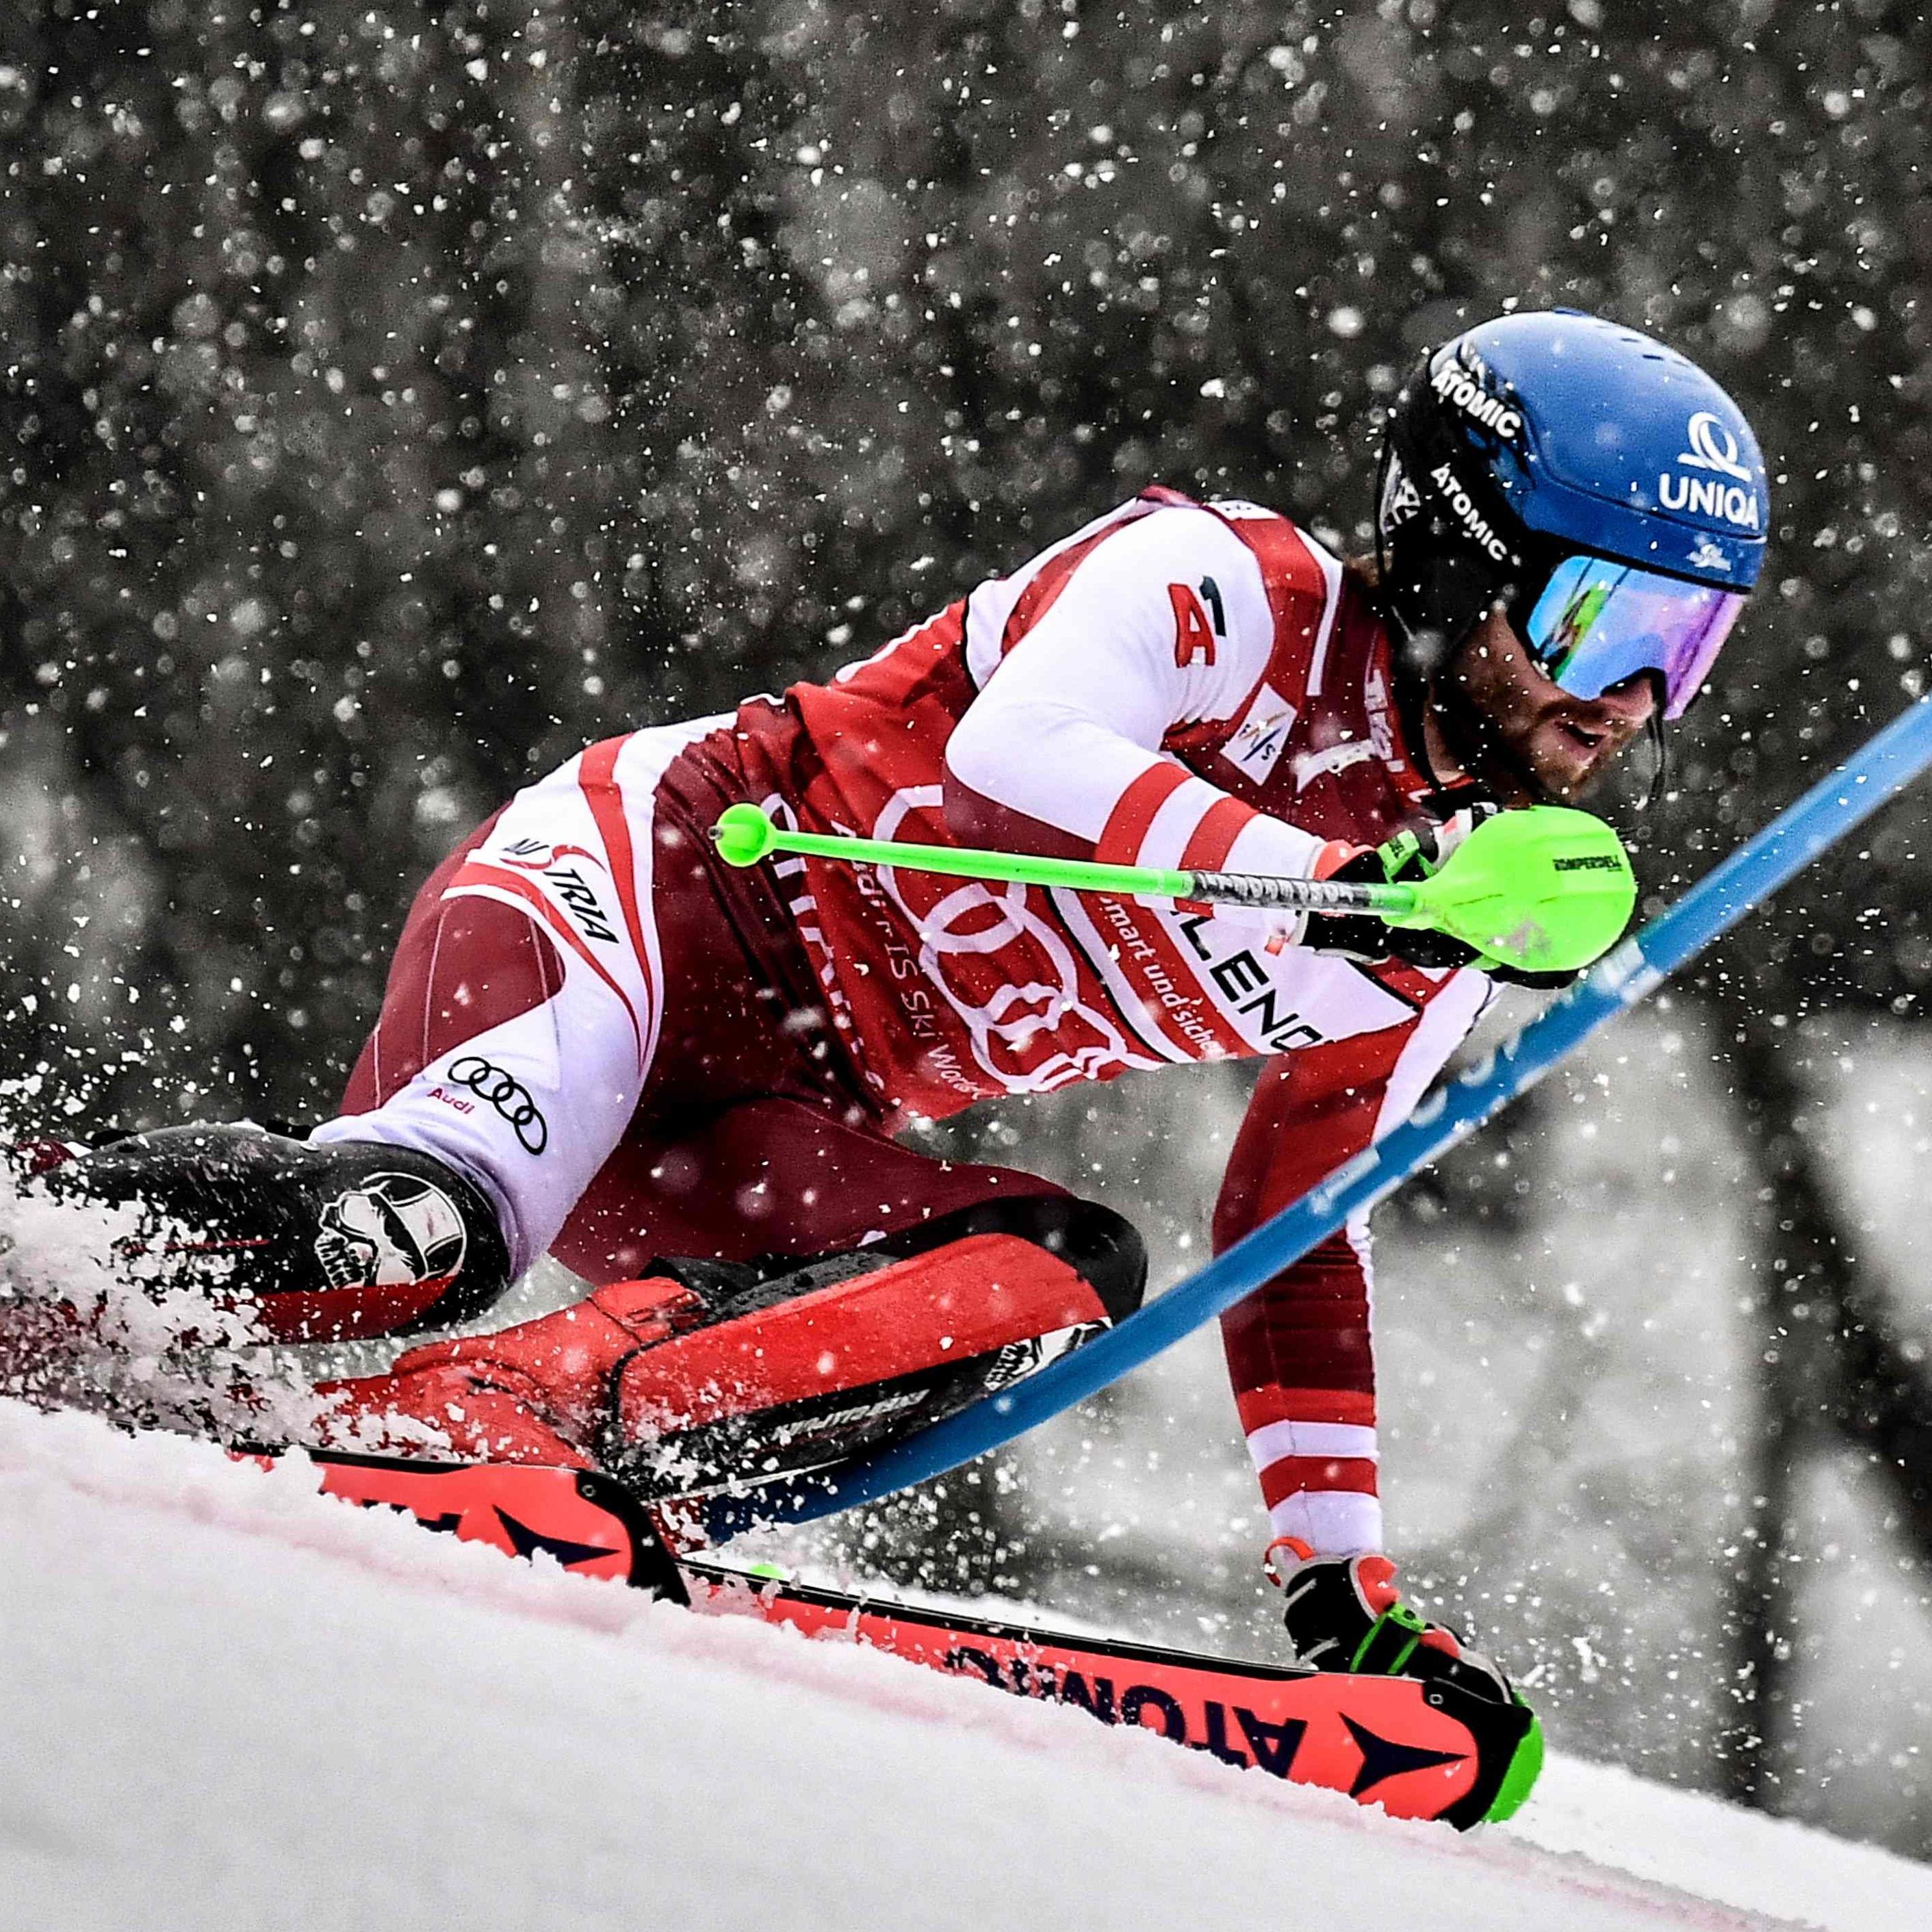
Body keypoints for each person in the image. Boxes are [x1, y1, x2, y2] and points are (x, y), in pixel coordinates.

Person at [19, 308, 1767, 1702]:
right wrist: (1322, 886)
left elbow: (1294, 1235)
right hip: (645, 899)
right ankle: (44, 1245)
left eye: (1682, 647)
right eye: (1598, 614)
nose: (1626, 696)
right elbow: (1025, 741)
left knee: (1059, 1275)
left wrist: (1337, 1576)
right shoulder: (1226, 588)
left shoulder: (1437, 915)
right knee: (412, 1229)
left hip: (786, 1110)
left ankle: (531, 1421)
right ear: (1458, 552)